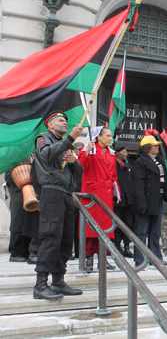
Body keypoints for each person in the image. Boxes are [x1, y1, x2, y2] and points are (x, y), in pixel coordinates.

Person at [33, 111, 84, 300]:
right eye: (60, 120)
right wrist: (71, 137)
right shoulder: (44, 139)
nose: (65, 122)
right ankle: (40, 284)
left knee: (65, 239)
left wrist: (74, 161)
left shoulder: (66, 145)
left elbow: (79, 171)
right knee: (51, 235)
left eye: (66, 121)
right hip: (52, 191)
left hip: (66, 194)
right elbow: (46, 155)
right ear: (50, 125)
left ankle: (58, 281)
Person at [79, 127, 120, 273]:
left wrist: (117, 192)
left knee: (105, 230)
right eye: (108, 136)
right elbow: (80, 166)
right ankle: (88, 260)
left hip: (106, 197)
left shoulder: (111, 153)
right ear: (99, 137)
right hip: (93, 196)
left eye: (111, 136)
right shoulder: (90, 150)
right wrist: (86, 151)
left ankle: (103, 259)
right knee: (90, 230)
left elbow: (113, 176)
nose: (111, 138)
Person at [132, 136, 167, 266]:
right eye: (154, 145)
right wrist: (141, 202)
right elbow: (138, 185)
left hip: (157, 199)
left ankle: (155, 257)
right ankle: (139, 258)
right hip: (146, 201)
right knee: (141, 230)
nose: (157, 147)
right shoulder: (140, 163)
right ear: (147, 148)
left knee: (155, 230)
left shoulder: (159, 161)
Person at [114, 145, 135, 258]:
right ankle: (117, 246)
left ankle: (127, 247)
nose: (126, 153)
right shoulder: (114, 165)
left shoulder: (128, 166)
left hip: (129, 200)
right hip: (119, 200)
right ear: (117, 153)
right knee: (117, 225)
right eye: (123, 152)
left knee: (128, 224)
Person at [5, 171, 30, 262]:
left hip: (29, 194)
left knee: (28, 223)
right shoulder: (14, 159)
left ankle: (26, 251)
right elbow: (8, 178)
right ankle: (16, 252)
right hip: (18, 193)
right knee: (17, 223)